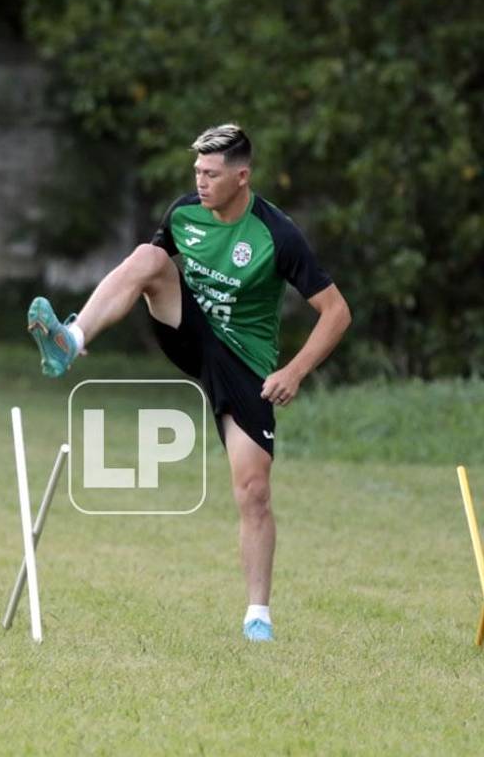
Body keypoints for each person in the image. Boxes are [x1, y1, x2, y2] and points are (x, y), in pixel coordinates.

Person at [27, 123, 351, 641]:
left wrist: (293, 371)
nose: (200, 182)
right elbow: (138, 276)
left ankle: (257, 618)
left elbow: (336, 312)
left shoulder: (277, 235)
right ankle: (71, 338)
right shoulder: (182, 215)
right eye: (196, 171)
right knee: (149, 259)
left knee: (253, 491)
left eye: (212, 174)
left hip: (246, 363)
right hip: (189, 331)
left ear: (242, 177)